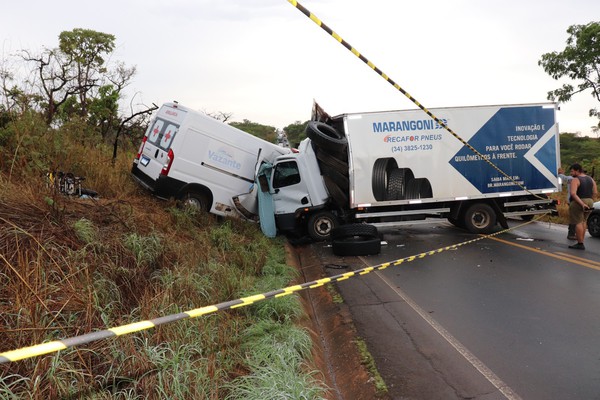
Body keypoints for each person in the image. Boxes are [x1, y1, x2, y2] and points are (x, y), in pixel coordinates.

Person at [568, 163, 597, 250]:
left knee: (578, 222)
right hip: (590, 200)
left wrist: (582, 203)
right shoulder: (590, 179)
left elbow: (573, 193)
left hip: (579, 202)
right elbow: (595, 192)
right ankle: (581, 241)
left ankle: (580, 243)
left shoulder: (575, 180)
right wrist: (590, 201)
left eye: (572, 171)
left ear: (577, 171)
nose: (571, 173)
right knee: (584, 221)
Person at [558, 167, 576, 239]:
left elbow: (560, 176)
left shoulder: (569, 178)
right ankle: (571, 233)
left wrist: (560, 173)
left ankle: (572, 233)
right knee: (575, 217)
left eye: (572, 171)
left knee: (574, 217)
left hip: (571, 200)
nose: (571, 173)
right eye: (571, 171)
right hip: (574, 200)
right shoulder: (572, 178)